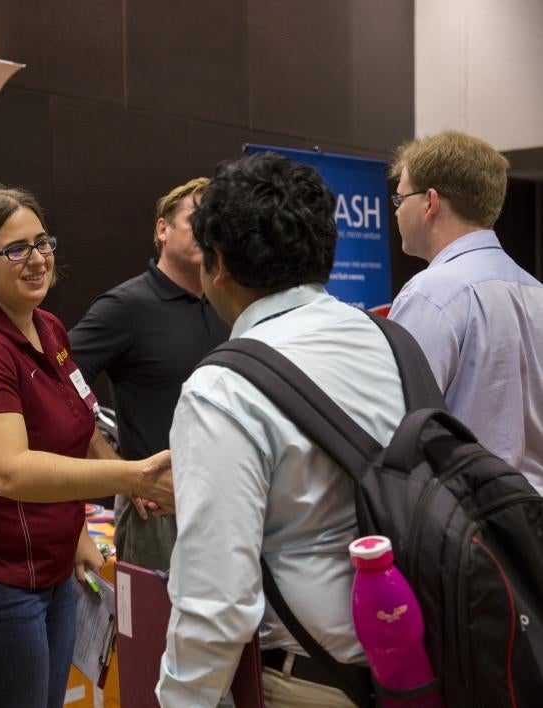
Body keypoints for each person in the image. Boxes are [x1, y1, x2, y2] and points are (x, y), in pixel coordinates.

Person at [157, 152, 406, 707]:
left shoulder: (222, 389)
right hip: (419, 657)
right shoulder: (391, 340)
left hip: (311, 680)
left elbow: (217, 598)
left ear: (217, 262)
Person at [0, 185, 174, 708]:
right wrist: (130, 477)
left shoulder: (49, 329)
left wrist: (78, 525)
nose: (37, 260)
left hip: (53, 571)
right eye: (16, 249)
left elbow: (75, 430)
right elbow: (9, 472)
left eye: (43, 242)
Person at [69, 178, 229, 570]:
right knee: (158, 632)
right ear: (162, 229)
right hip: (158, 515)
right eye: (196, 219)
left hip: (229, 501)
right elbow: (54, 386)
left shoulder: (229, 304)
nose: (207, 232)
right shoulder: (126, 306)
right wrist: (121, 474)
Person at [387, 130, 543, 494]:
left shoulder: (431, 294)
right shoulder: (535, 292)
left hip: (468, 522)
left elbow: (397, 421)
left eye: (401, 197)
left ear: (430, 202)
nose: (397, 211)